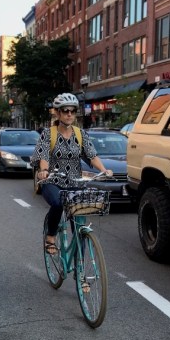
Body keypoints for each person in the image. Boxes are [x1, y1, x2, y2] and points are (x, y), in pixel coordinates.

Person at [31, 93, 112, 255]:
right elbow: (44, 157)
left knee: (80, 227)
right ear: (58, 112)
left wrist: (103, 170)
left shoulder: (80, 134)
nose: (69, 114)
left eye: (73, 111)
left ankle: (79, 275)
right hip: (52, 181)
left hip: (75, 184)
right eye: (65, 110)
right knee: (58, 203)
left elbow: (92, 155)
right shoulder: (49, 134)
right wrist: (44, 171)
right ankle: (51, 237)